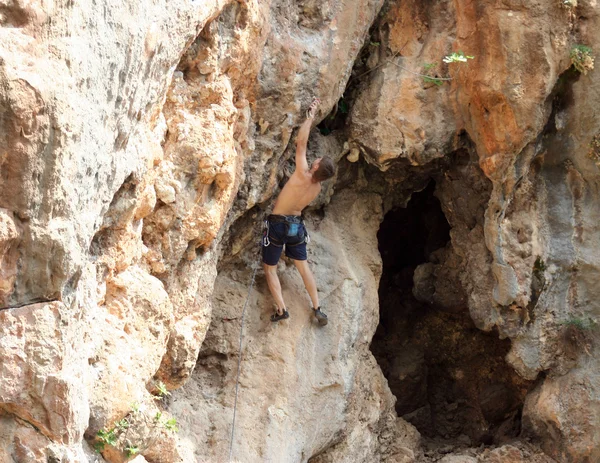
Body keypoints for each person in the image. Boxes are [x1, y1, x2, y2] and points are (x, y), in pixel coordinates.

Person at [262, 98, 336, 325]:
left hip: (277, 224)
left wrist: (310, 116)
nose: (315, 159)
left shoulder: (303, 173)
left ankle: (282, 309)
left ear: (315, 167)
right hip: (296, 227)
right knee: (303, 268)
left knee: (269, 269)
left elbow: (300, 143)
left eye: (318, 160)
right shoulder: (317, 187)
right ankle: (318, 308)